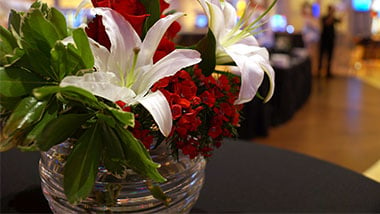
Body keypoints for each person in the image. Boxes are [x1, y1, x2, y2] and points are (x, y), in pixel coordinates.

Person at [318, 4, 341, 78]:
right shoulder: (324, 18)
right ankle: (319, 71)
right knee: (321, 56)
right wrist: (331, 16)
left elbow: (340, 21)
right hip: (324, 40)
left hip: (331, 40)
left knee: (330, 56)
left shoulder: (334, 18)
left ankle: (328, 72)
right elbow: (327, 22)